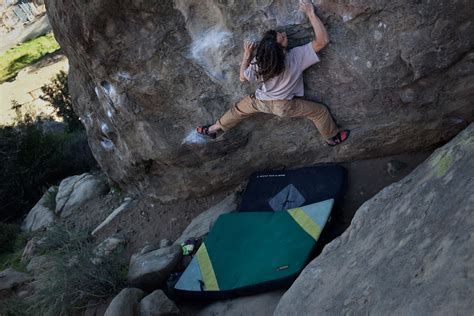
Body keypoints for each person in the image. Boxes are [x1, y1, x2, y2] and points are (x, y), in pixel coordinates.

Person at [196, 0, 349, 146]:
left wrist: (246, 56)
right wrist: (310, 13)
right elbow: (322, 41)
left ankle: (213, 129)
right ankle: (331, 138)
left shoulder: (262, 60)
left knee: (237, 111)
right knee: (320, 112)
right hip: (283, 105)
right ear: (280, 47)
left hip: (260, 101)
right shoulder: (295, 57)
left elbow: (242, 77)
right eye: (282, 37)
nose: (283, 33)